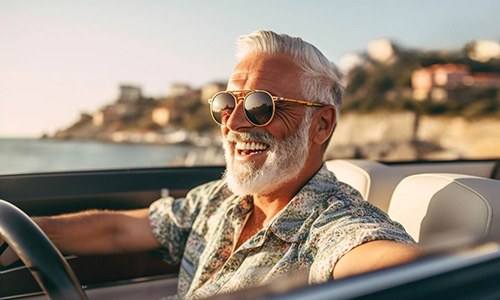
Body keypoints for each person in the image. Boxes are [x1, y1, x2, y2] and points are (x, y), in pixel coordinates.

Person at [0, 30, 420, 299]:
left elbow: (395, 265)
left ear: (321, 123)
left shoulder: (333, 226)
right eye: (226, 103)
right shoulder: (219, 200)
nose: (232, 123)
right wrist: (20, 235)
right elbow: (117, 229)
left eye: (260, 106)